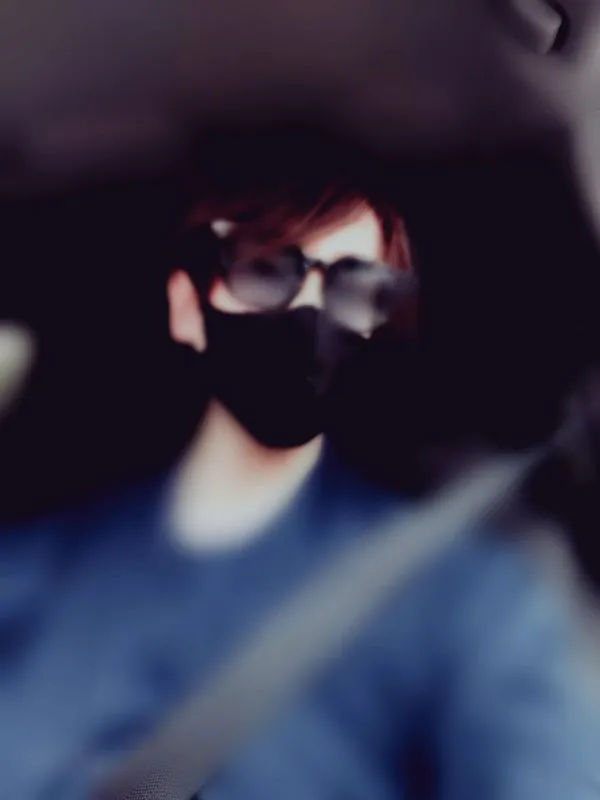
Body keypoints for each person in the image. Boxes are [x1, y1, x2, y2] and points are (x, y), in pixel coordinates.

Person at [0, 175, 597, 800]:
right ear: (187, 306)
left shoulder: (463, 601)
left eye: (355, 287)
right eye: (265, 271)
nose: (309, 312)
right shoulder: (29, 570)